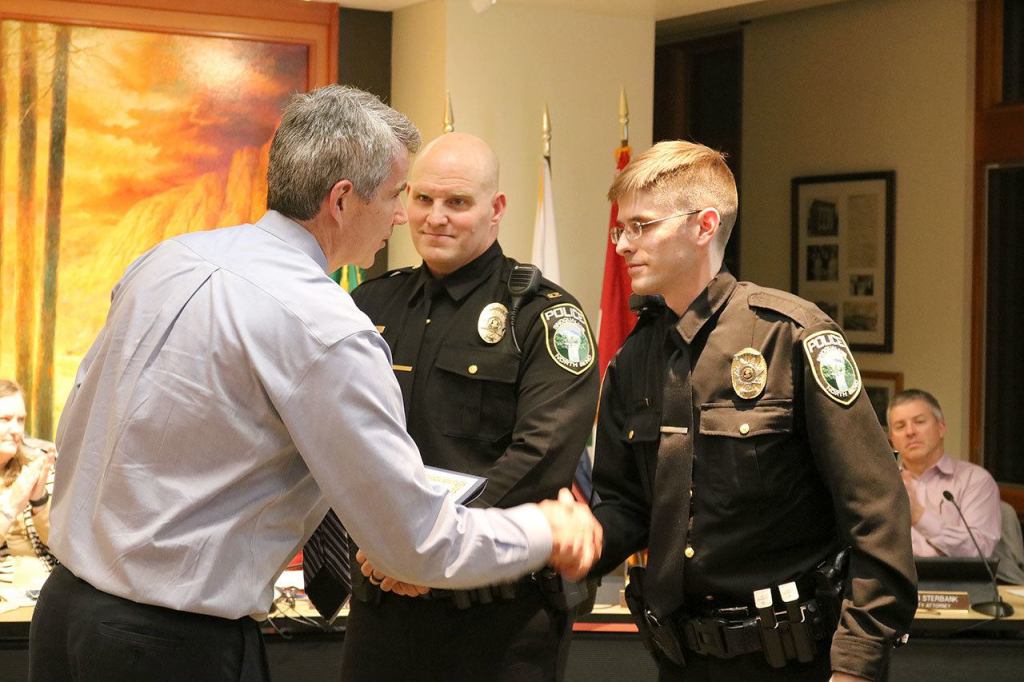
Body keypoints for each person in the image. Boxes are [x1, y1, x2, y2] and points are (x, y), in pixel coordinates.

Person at [28, 85, 601, 682]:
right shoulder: (325, 323)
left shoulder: (169, 260)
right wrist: (543, 531)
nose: (406, 216)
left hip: (67, 610)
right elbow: (416, 541)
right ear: (343, 201)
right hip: (168, 643)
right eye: (399, 196)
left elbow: (83, 417)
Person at [589, 140, 916, 681]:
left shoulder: (790, 336)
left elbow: (877, 513)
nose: (624, 244)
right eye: (619, 229)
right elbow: (626, 505)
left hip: (793, 661)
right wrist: (572, 541)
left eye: (641, 226)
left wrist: (858, 663)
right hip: (681, 658)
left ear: (703, 225)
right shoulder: (634, 358)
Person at [335, 132, 599, 681]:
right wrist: (385, 545)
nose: (436, 217)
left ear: (496, 209)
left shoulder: (542, 315)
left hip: (497, 617)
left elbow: (542, 453)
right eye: (423, 199)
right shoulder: (368, 305)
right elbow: (339, 439)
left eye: (458, 202)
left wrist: (435, 549)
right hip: (384, 602)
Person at [888, 389, 1001, 558]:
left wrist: (919, 517)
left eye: (919, 421)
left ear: (941, 428)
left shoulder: (975, 480)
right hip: (896, 583)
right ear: (892, 439)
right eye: (900, 426)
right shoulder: (882, 486)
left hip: (956, 582)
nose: (910, 432)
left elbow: (980, 551)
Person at [0, 379, 56, 566]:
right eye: (5, 419)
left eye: (21, 420)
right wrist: (10, 507)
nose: (16, 430)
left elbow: (66, 547)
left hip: (43, 584)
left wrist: (39, 502)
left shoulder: (37, 468)